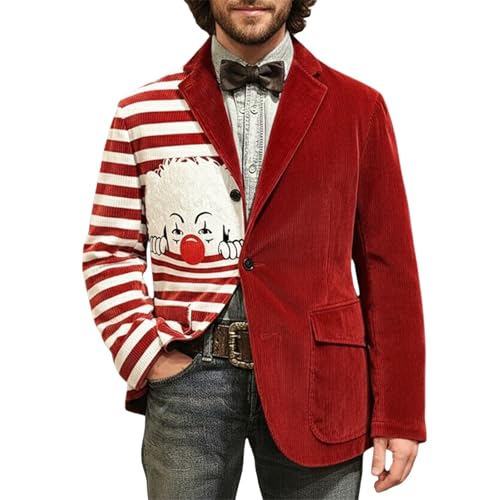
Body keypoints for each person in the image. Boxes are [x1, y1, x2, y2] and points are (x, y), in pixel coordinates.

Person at [82, 0, 427, 498]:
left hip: (320, 382)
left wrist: (400, 411)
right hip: (188, 377)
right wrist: (148, 355)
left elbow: (388, 267)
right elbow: (110, 248)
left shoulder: (359, 107)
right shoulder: (142, 112)